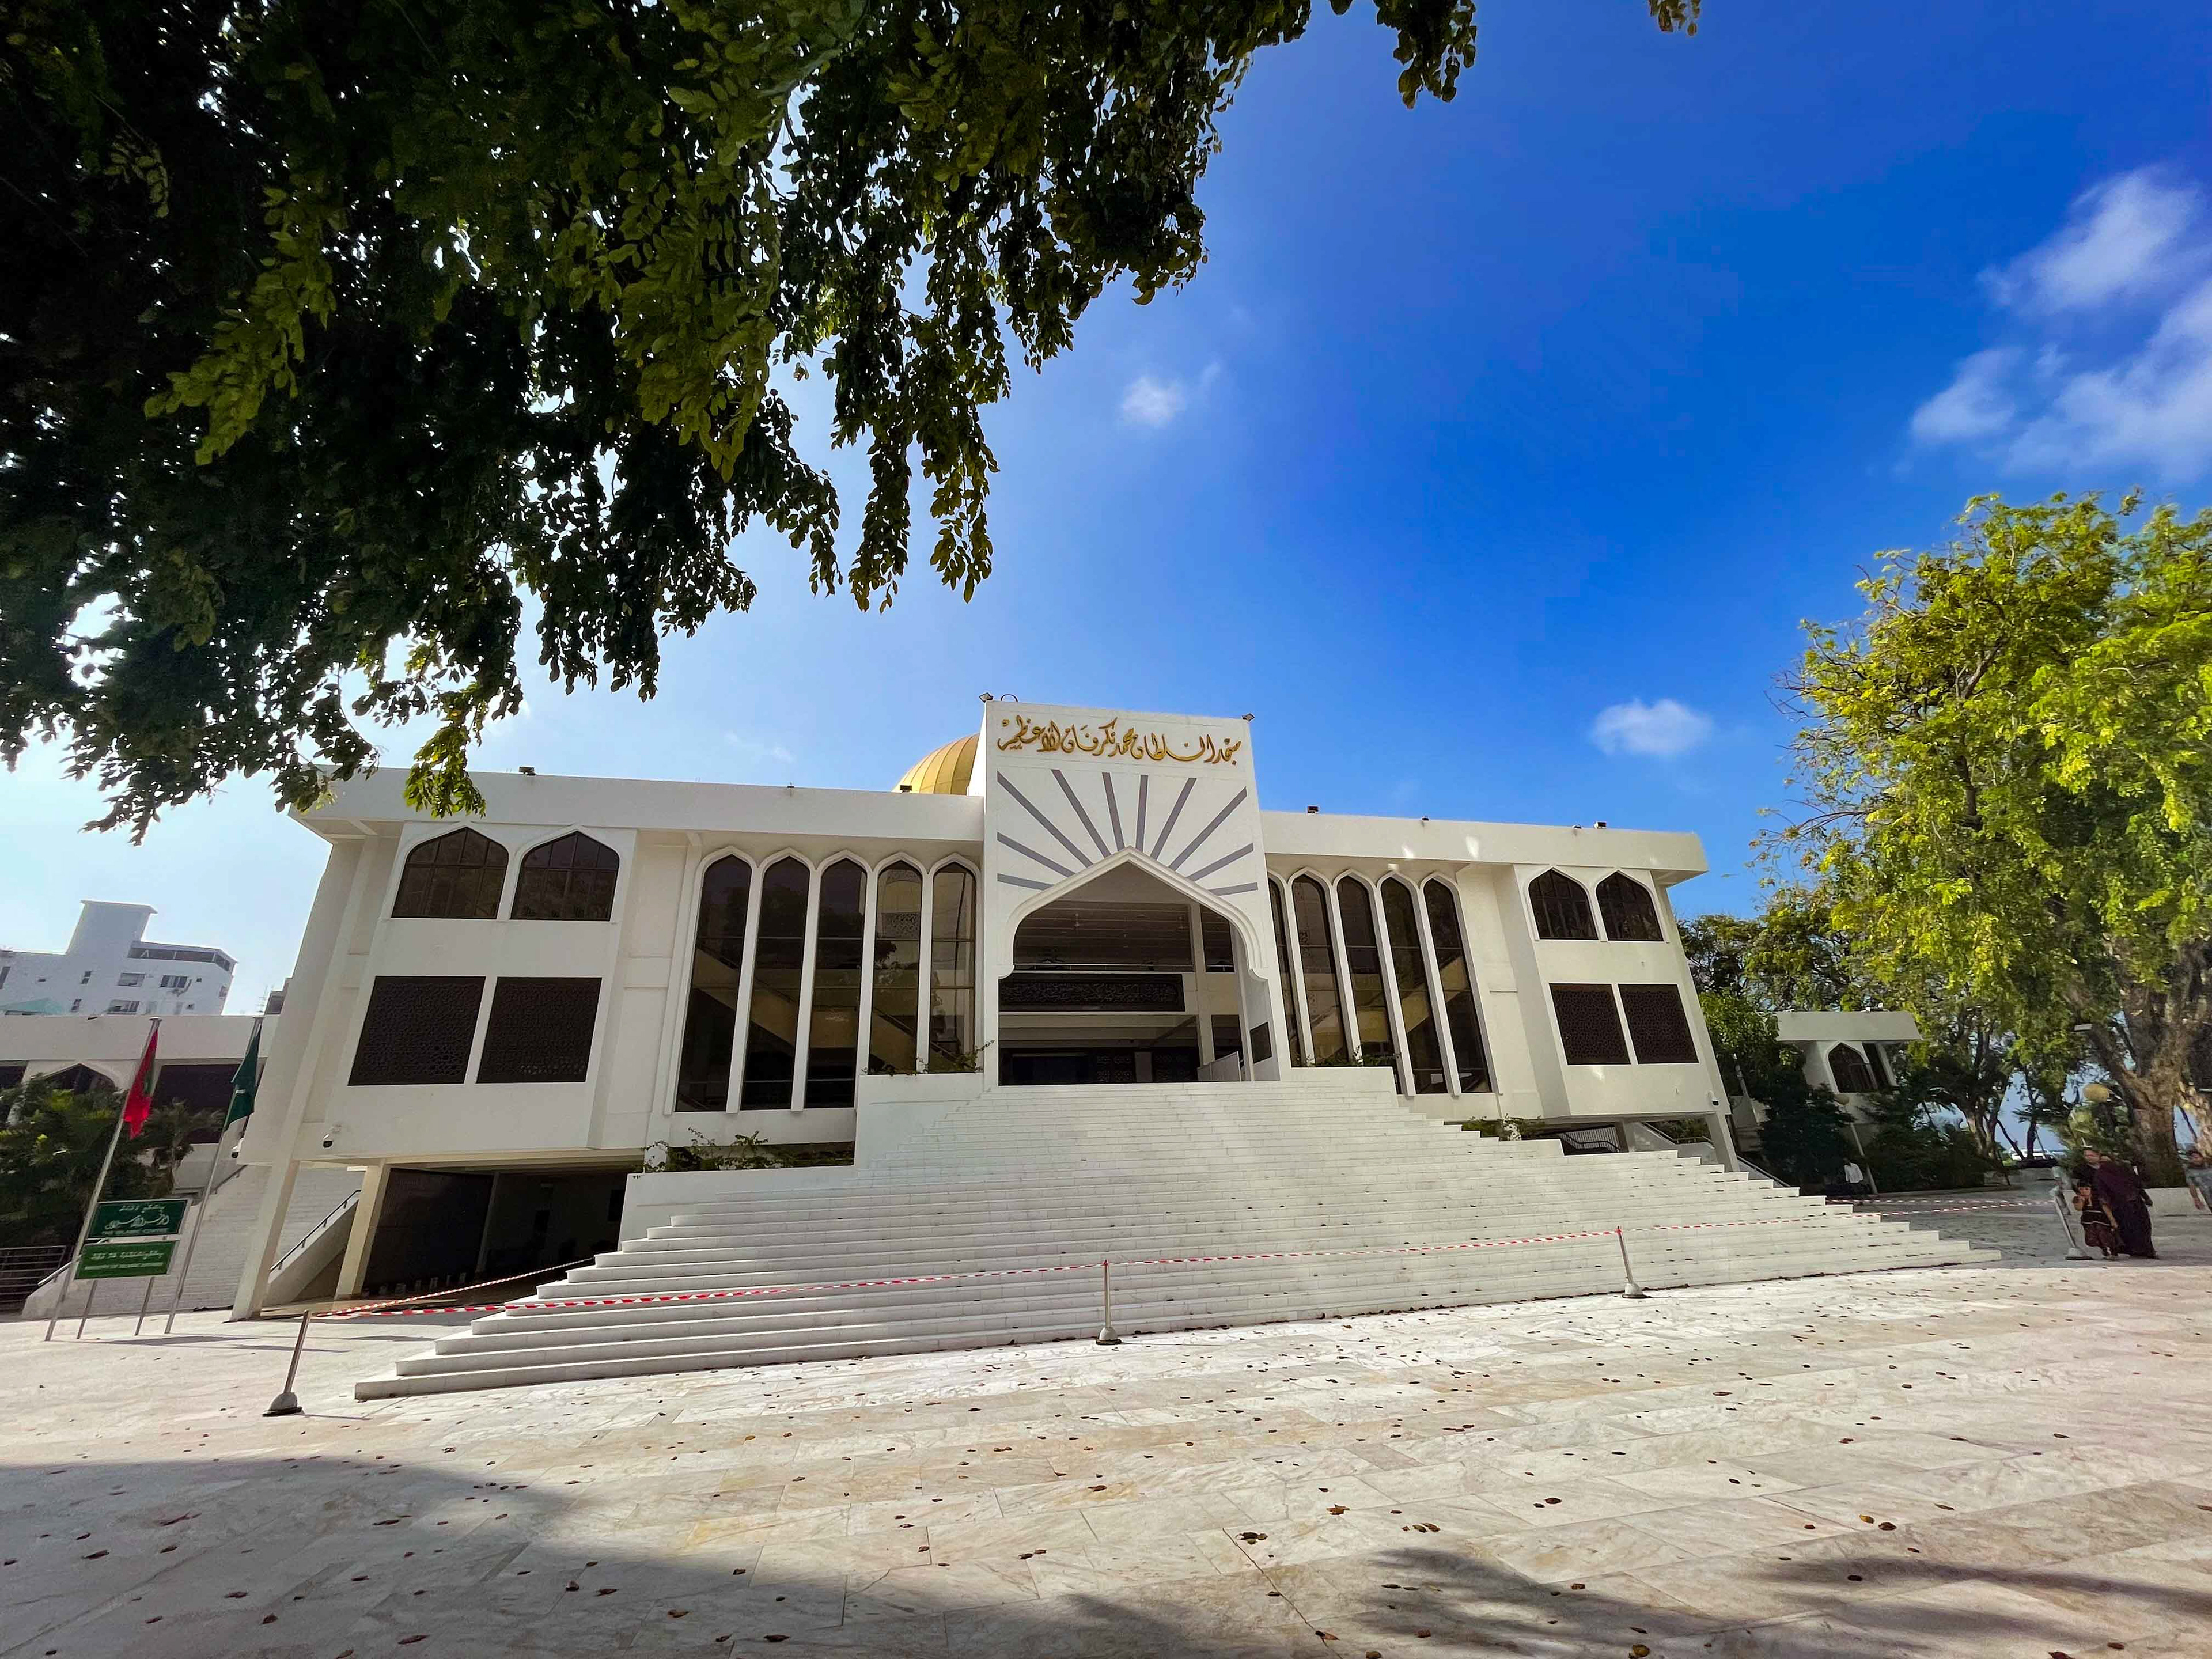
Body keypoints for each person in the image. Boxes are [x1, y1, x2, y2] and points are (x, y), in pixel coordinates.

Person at [2082, 1148, 2156, 1259]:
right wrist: (2146, 1198)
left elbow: (2103, 1195)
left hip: (2123, 1206)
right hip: (2132, 1204)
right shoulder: (2122, 1170)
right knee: (2139, 1228)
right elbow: (2138, 1185)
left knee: (2133, 1228)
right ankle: (2143, 1250)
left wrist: (2109, 1213)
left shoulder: (2102, 1174)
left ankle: (2139, 1250)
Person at [2071, 1175, 2121, 1258]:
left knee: (2105, 1236)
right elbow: (2078, 1209)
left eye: (2086, 1189)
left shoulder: (2099, 1199)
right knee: (2092, 1238)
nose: (2084, 1191)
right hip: (2089, 1221)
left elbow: (2106, 1210)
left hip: (2102, 1221)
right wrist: (2081, 1201)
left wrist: (2113, 1221)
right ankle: (2103, 1249)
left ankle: (2113, 1251)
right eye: (2081, 1189)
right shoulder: (2078, 1199)